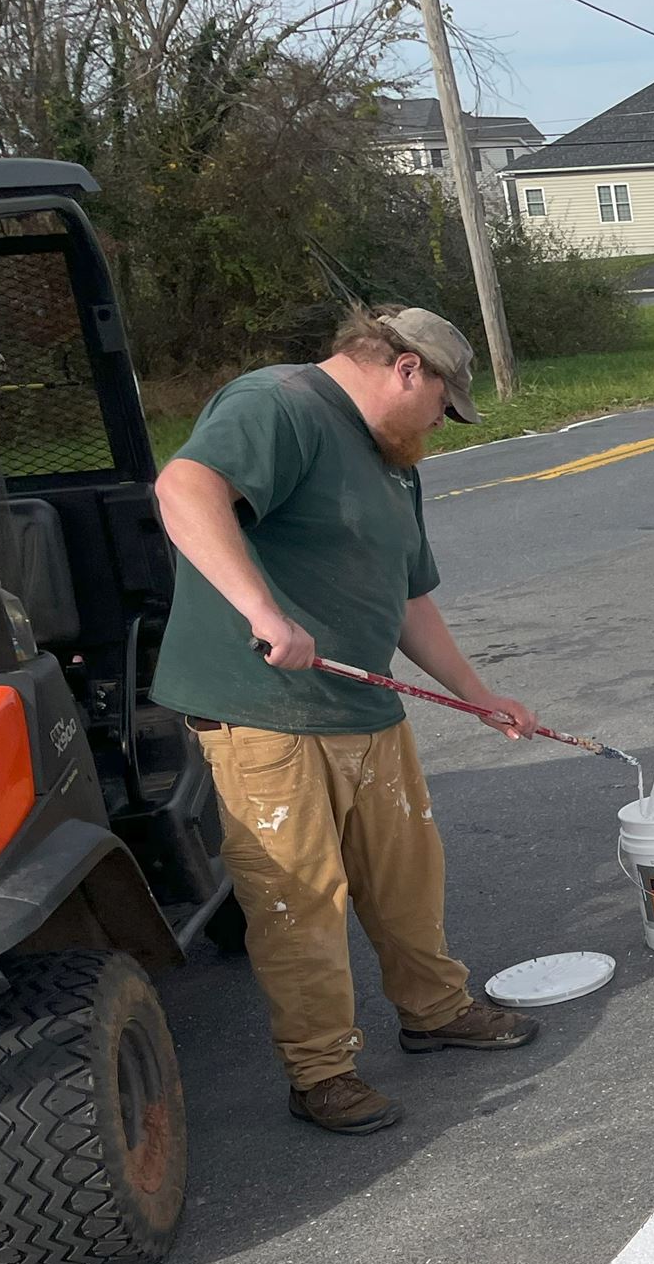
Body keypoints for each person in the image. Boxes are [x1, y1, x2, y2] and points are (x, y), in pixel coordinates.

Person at [152, 305, 541, 1136]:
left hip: (365, 702)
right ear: (409, 370)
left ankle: (435, 1011)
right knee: (301, 899)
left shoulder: (395, 459)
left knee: (407, 871)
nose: (443, 421)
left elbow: (408, 596)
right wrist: (262, 610)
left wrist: (477, 690)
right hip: (267, 714)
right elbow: (183, 488)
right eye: (444, 402)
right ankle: (321, 1070)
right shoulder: (279, 405)